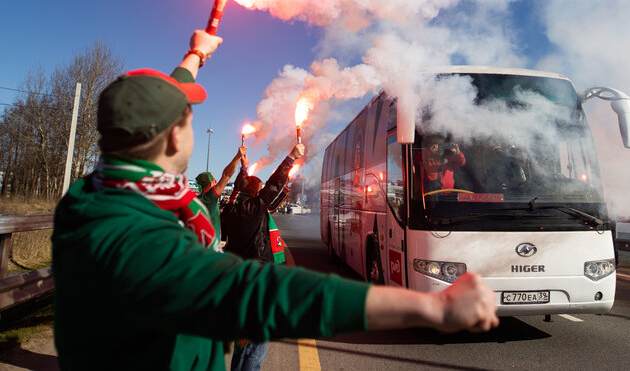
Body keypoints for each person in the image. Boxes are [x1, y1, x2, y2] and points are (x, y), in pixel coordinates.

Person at [52, 28, 499, 371]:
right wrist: (430, 306)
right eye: (187, 119)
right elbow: (262, 292)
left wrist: (196, 56)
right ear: (173, 137)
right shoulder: (139, 234)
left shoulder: (93, 194)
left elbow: (148, 106)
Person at [220, 144, 303, 371]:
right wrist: (290, 158)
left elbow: (242, 187)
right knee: (256, 350)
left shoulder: (230, 209)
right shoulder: (254, 208)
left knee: (243, 345)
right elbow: (274, 184)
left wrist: (244, 167)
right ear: (256, 194)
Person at [195, 146, 245, 239]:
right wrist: (238, 156)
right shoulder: (209, 198)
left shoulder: (196, 200)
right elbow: (226, 175)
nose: (216, 182)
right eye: (214, 181)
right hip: (211, 246)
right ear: (210, 184)